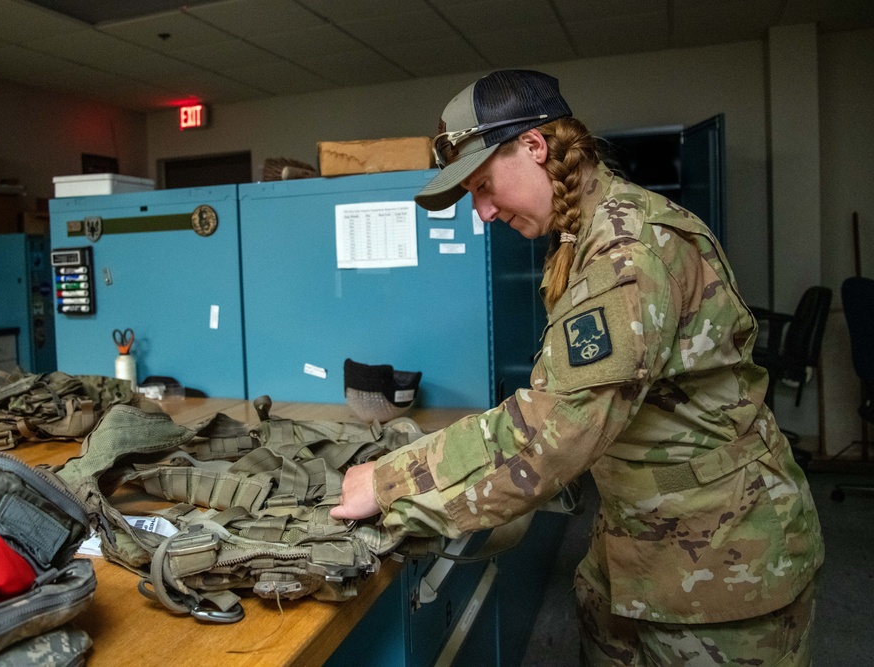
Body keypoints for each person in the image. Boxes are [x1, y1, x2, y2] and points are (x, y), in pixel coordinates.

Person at [330, 69, 824, 665]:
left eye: (485, 185)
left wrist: (391, 482)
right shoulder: (584, 236)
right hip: (640, 540)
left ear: (535, 147)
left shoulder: (628, 253)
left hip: (724, 566)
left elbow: (551, 433)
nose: (482, 213)